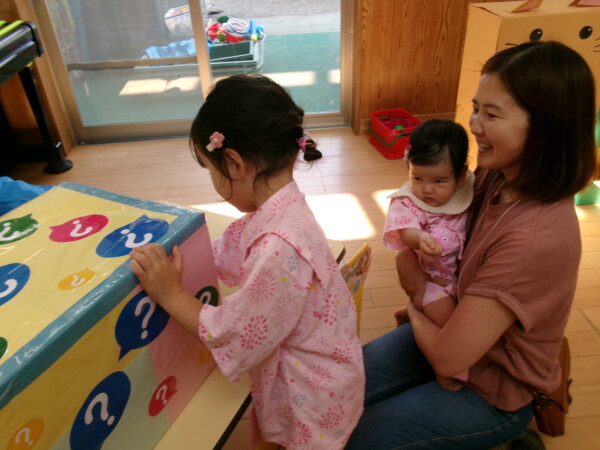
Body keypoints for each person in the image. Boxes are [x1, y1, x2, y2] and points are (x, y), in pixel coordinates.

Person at [346, 40, 596, 449]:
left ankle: (505, 431)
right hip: (455, 328)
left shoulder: (535, 238)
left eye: (491, 114)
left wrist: (417, 300)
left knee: (354, 438)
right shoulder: (497, 174)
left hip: (493, 390)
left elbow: (448, 358)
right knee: (331, 394)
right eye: (476, 108)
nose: (474, 125)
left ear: (544, 131)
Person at [129, 74, 365, 449]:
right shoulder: (284, 207)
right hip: (328, 372)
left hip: (314, 400)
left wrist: (170, 294)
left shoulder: (278, 247)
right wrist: (185, 254)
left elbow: (237, 335)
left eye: (211, 170)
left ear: (234, 163)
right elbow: (232, 247)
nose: (213, 179)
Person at [382, 119, 472, 391]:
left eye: (439, 181)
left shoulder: (468, 191)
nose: (427, 189)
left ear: (461, 175)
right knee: (451, 327)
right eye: (417, 178)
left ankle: (409, 316)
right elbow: (404, 229)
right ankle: (443, 368)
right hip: (433, 281)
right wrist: (420, 238)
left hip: (462, 277)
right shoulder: (408, 200)